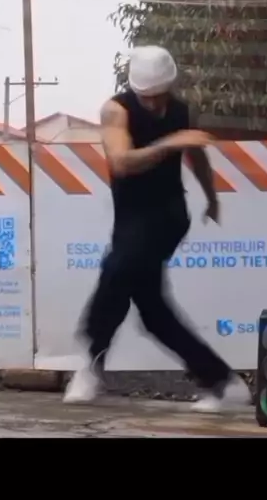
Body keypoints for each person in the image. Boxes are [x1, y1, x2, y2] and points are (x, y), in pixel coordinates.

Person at [63, 45, 251, 412]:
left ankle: (90, 360)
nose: (152, 103)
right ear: (134, 88)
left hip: (168, 216)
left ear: (170, 86)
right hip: (130, 218)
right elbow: (122, 163)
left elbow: (196, 154)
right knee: (153, 311)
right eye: (145, 96)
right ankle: (221, 382)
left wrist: (211, 197)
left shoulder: (180, 111)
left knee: (117, 269)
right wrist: (169, 142)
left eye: (158, 95)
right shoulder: (116, 110)